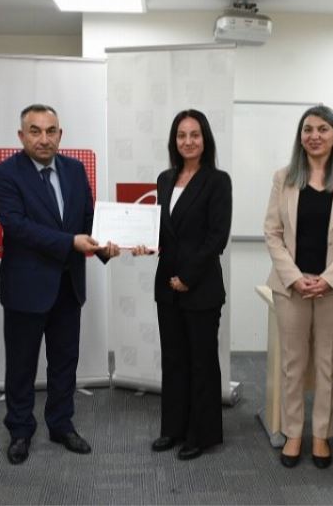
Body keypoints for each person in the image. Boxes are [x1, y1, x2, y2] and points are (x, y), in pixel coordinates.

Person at [0, 104, 119, 465]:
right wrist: (70, 242)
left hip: (68, 286)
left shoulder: (75, 170)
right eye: (35, 131)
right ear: (21, 136)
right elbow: (17, 227)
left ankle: (61, 424)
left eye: (51, 131)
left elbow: (89, 220)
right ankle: (20, 430)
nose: (44, 139)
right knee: (21, 366)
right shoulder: (3, 175)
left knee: (64, 363)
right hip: (26, 288)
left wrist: (107, 245)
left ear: (60, 135)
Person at [263, 105, 333, 469]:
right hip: (291, 285)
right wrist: (295, 277)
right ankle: (293, 432)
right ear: (300, 136)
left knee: (328, 363)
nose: (314, 136)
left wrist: (329, 278)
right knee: (293, 364)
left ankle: (322, 434)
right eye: (308, 129)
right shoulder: (284, 178)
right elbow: (272, 232)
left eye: (323, 129)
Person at [132, 109, 232, 461]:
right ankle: (173, 428)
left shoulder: (217, 181)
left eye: (194, 134)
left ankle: (201, 434)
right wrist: (143, 243)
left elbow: (217, 237)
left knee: (202, 362)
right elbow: (164, 231)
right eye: (181, 135)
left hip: (200, 286)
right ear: (174, 141)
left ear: (205, 139)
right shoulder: (165, 179)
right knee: (174, 360)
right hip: (166, 286)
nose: (188, 141)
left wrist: (188, 277)